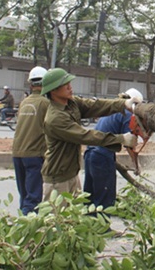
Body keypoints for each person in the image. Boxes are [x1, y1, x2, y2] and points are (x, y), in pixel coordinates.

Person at [40, 68, 141, 201]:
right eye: (65, 85)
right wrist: (121, 139)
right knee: (56, 219)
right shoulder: (56, 118)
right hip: (57, 179)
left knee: (74, 218)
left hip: (71, 174)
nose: (70, 87)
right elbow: (86, 135)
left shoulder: (71, 103)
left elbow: (95, 105)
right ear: (53, 90)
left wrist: (122, 104)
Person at [83, 88, 143, 209]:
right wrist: (137, 165)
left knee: (89, 196)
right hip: (102, 157)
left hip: (90, 153)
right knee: (105, 199)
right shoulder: (127, 114)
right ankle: (103, 227)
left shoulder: (112, 108)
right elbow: (129, 143)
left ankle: (87, 224)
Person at [12, 66, 49, 215]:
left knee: (24, 195)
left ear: (30, 84)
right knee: (33, 198)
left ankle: (20, 225)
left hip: (17, 153)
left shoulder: (24, 102)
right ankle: (27, 229)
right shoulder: (45, 104)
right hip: (34, 154)